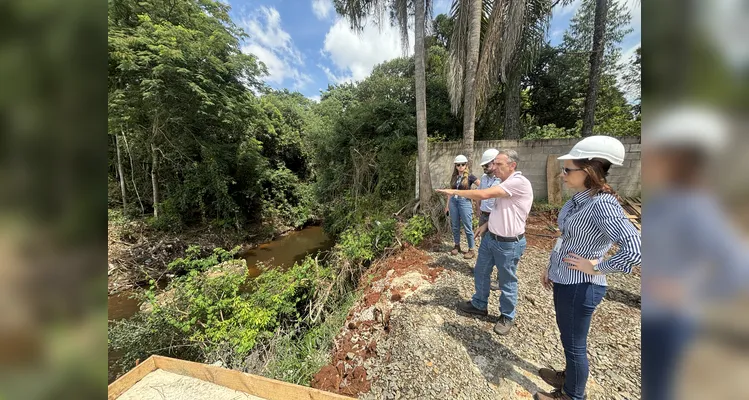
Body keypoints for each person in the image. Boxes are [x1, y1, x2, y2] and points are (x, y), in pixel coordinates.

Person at [640, 106, 749, 400]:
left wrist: (691, 289)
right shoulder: (665, 200)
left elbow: (739, 265)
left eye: (655, 153)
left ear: (680, 159)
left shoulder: (694, 206)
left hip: (668, 320)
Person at [534, 136, 642, 400]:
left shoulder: (602, 204)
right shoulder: (579, 200)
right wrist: (551, 266)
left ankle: (572, 394)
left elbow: (636, 250)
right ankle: (570, 376)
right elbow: (565, 237)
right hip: (566, 279)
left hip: (581, 286)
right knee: (568, 339)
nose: (562, 175)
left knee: (574, 346)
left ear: (589, 170)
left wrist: (597, 266)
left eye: (568, 170)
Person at [437, 149, 533, 335]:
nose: (494, 167)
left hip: (509, 243)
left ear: (512, 165)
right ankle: (479, 304)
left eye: (499, 164)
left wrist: (452, 191)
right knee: (481, 271)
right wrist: (487, 225)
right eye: (494, 164)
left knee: (507, 280)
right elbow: (503, 210)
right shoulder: (504, 182)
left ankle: (507, 315)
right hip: (491, 238)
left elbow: (483, 195)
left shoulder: (518, 182)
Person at [444, 155, 479, 259]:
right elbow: (450, 192)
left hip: (464, 202)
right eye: (458, 164)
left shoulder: (470, 176)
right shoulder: (454, 177)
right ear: (455, 166)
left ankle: (471, 249)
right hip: (453, 202)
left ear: (466, 165)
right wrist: (447, 206)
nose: (460, 166)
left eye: (462, 164)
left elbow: (481, 186)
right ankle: (457, 245)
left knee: (467, 226)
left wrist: (473, 194)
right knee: (455, 225)